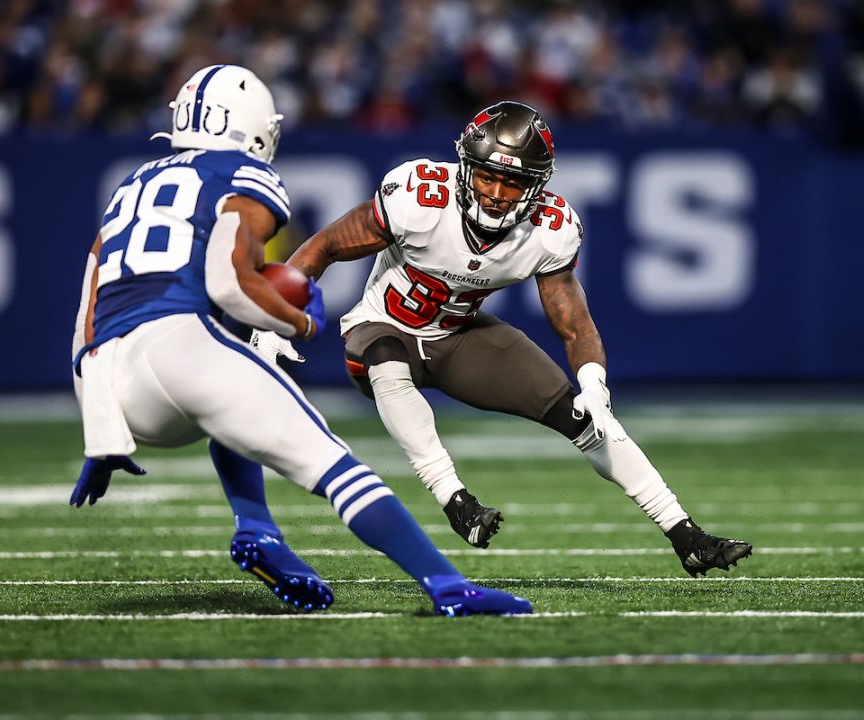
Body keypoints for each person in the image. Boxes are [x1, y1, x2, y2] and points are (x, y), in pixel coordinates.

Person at [67, 65, 532, 616]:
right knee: (335, 465)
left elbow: (90, 313)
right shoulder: (243, 174)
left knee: (234, 360)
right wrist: (296, 322)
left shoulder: (131, 185)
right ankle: (449, 587)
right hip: (182, 353)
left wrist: (101, 430)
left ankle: (258, 528)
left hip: (109, 381)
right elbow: (228, 280)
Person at [256, 101, 752, 577]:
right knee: (386, 360)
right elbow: (324, 247)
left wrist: (595, 385)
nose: (495, 192)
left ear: (535, 187)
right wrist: (273, 321)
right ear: (465, 168)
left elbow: (574, 322)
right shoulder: (418, 197)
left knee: (586, 419)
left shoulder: (549, 229)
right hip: (383, 328)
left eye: (512, 182)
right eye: (488, 175)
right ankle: (455, 500)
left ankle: (685, 535)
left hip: (458, 337)